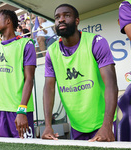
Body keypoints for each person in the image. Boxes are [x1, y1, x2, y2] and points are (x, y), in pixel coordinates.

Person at [42, 4, 118, 142]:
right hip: (77, 126)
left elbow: (111, 84)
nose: (61, 19)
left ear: (77, 21)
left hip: (104, 123)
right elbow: (49, 88)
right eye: (57, 17)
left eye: (67, 15)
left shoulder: (96, 42)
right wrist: (48, 125)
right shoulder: (51, 52)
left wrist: (107, 125)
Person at [0, 9, 36, 138]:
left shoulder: (26, 44)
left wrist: (22, 110)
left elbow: (29, 79)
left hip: (18, 110)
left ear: (8, 21)